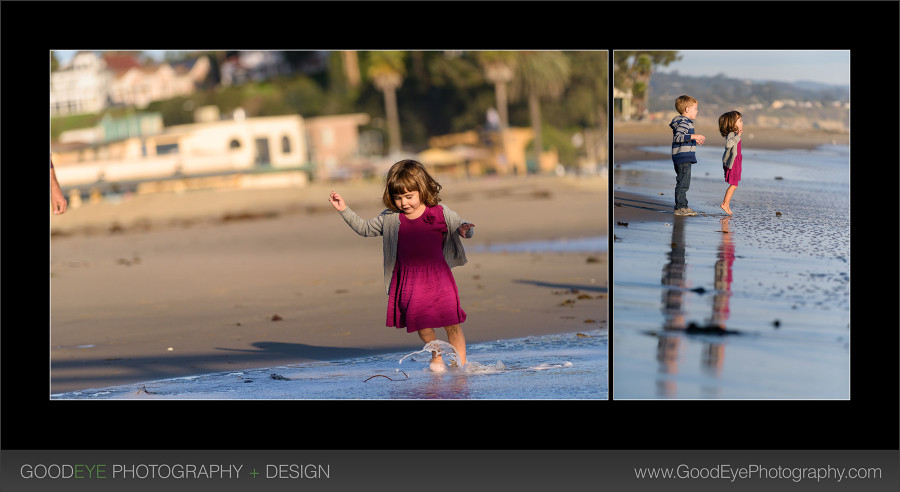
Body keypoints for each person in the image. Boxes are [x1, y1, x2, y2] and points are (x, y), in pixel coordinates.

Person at [328, 159, 475, 372]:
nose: (404, 203)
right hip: (409, 281)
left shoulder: (439, 213)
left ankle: (461, 364)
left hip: (439, 278)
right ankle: (437, 355)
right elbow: (364, 229)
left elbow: (461, 224)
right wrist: (344, 209)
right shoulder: (391, 218)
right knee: (422, 326)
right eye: (398, 198)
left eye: (409, 196)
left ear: (422, 190)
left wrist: (465, 229)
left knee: (451, 323)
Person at [669, 95, 706, 216]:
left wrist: (694, 140)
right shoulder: (684, 122)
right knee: (683, 183)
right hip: (683, 157)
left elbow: (684, 138)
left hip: (682, 156)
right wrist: (694, 136)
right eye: (695, 108)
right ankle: (680, 207)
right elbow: (678, 137)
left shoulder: (685, 122)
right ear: (687, 109)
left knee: (683, 182)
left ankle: (683, 205)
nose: (697, 111)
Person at [718, 110, 743, 216]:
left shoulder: (734, 134)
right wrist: (738, 136)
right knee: (734, 184)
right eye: (740, 121)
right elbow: (728, 144)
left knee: (735, 184)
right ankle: (725, 203)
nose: (742, 123)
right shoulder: (731, 134)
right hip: (732, 162)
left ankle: (726, 204)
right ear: (732, 123)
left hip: (736, 161)